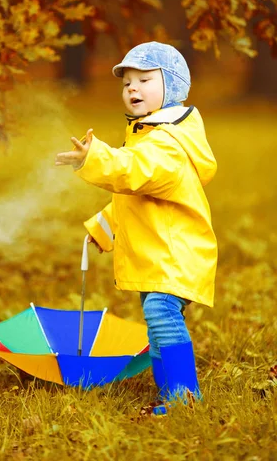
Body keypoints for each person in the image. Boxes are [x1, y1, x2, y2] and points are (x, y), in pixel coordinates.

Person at [55, 41, 218, 415]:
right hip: (161, 252)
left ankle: (184, 397)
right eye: (127, 82)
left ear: (172, 87)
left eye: (145, 79)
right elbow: (135, 197)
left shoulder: (167, 143)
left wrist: (94, 157)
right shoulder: (148, 136)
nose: (132, 88)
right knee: (158, 320)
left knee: (161, 312)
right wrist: (104, 227)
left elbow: (131, 170)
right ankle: (171, 392)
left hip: (176, 253)